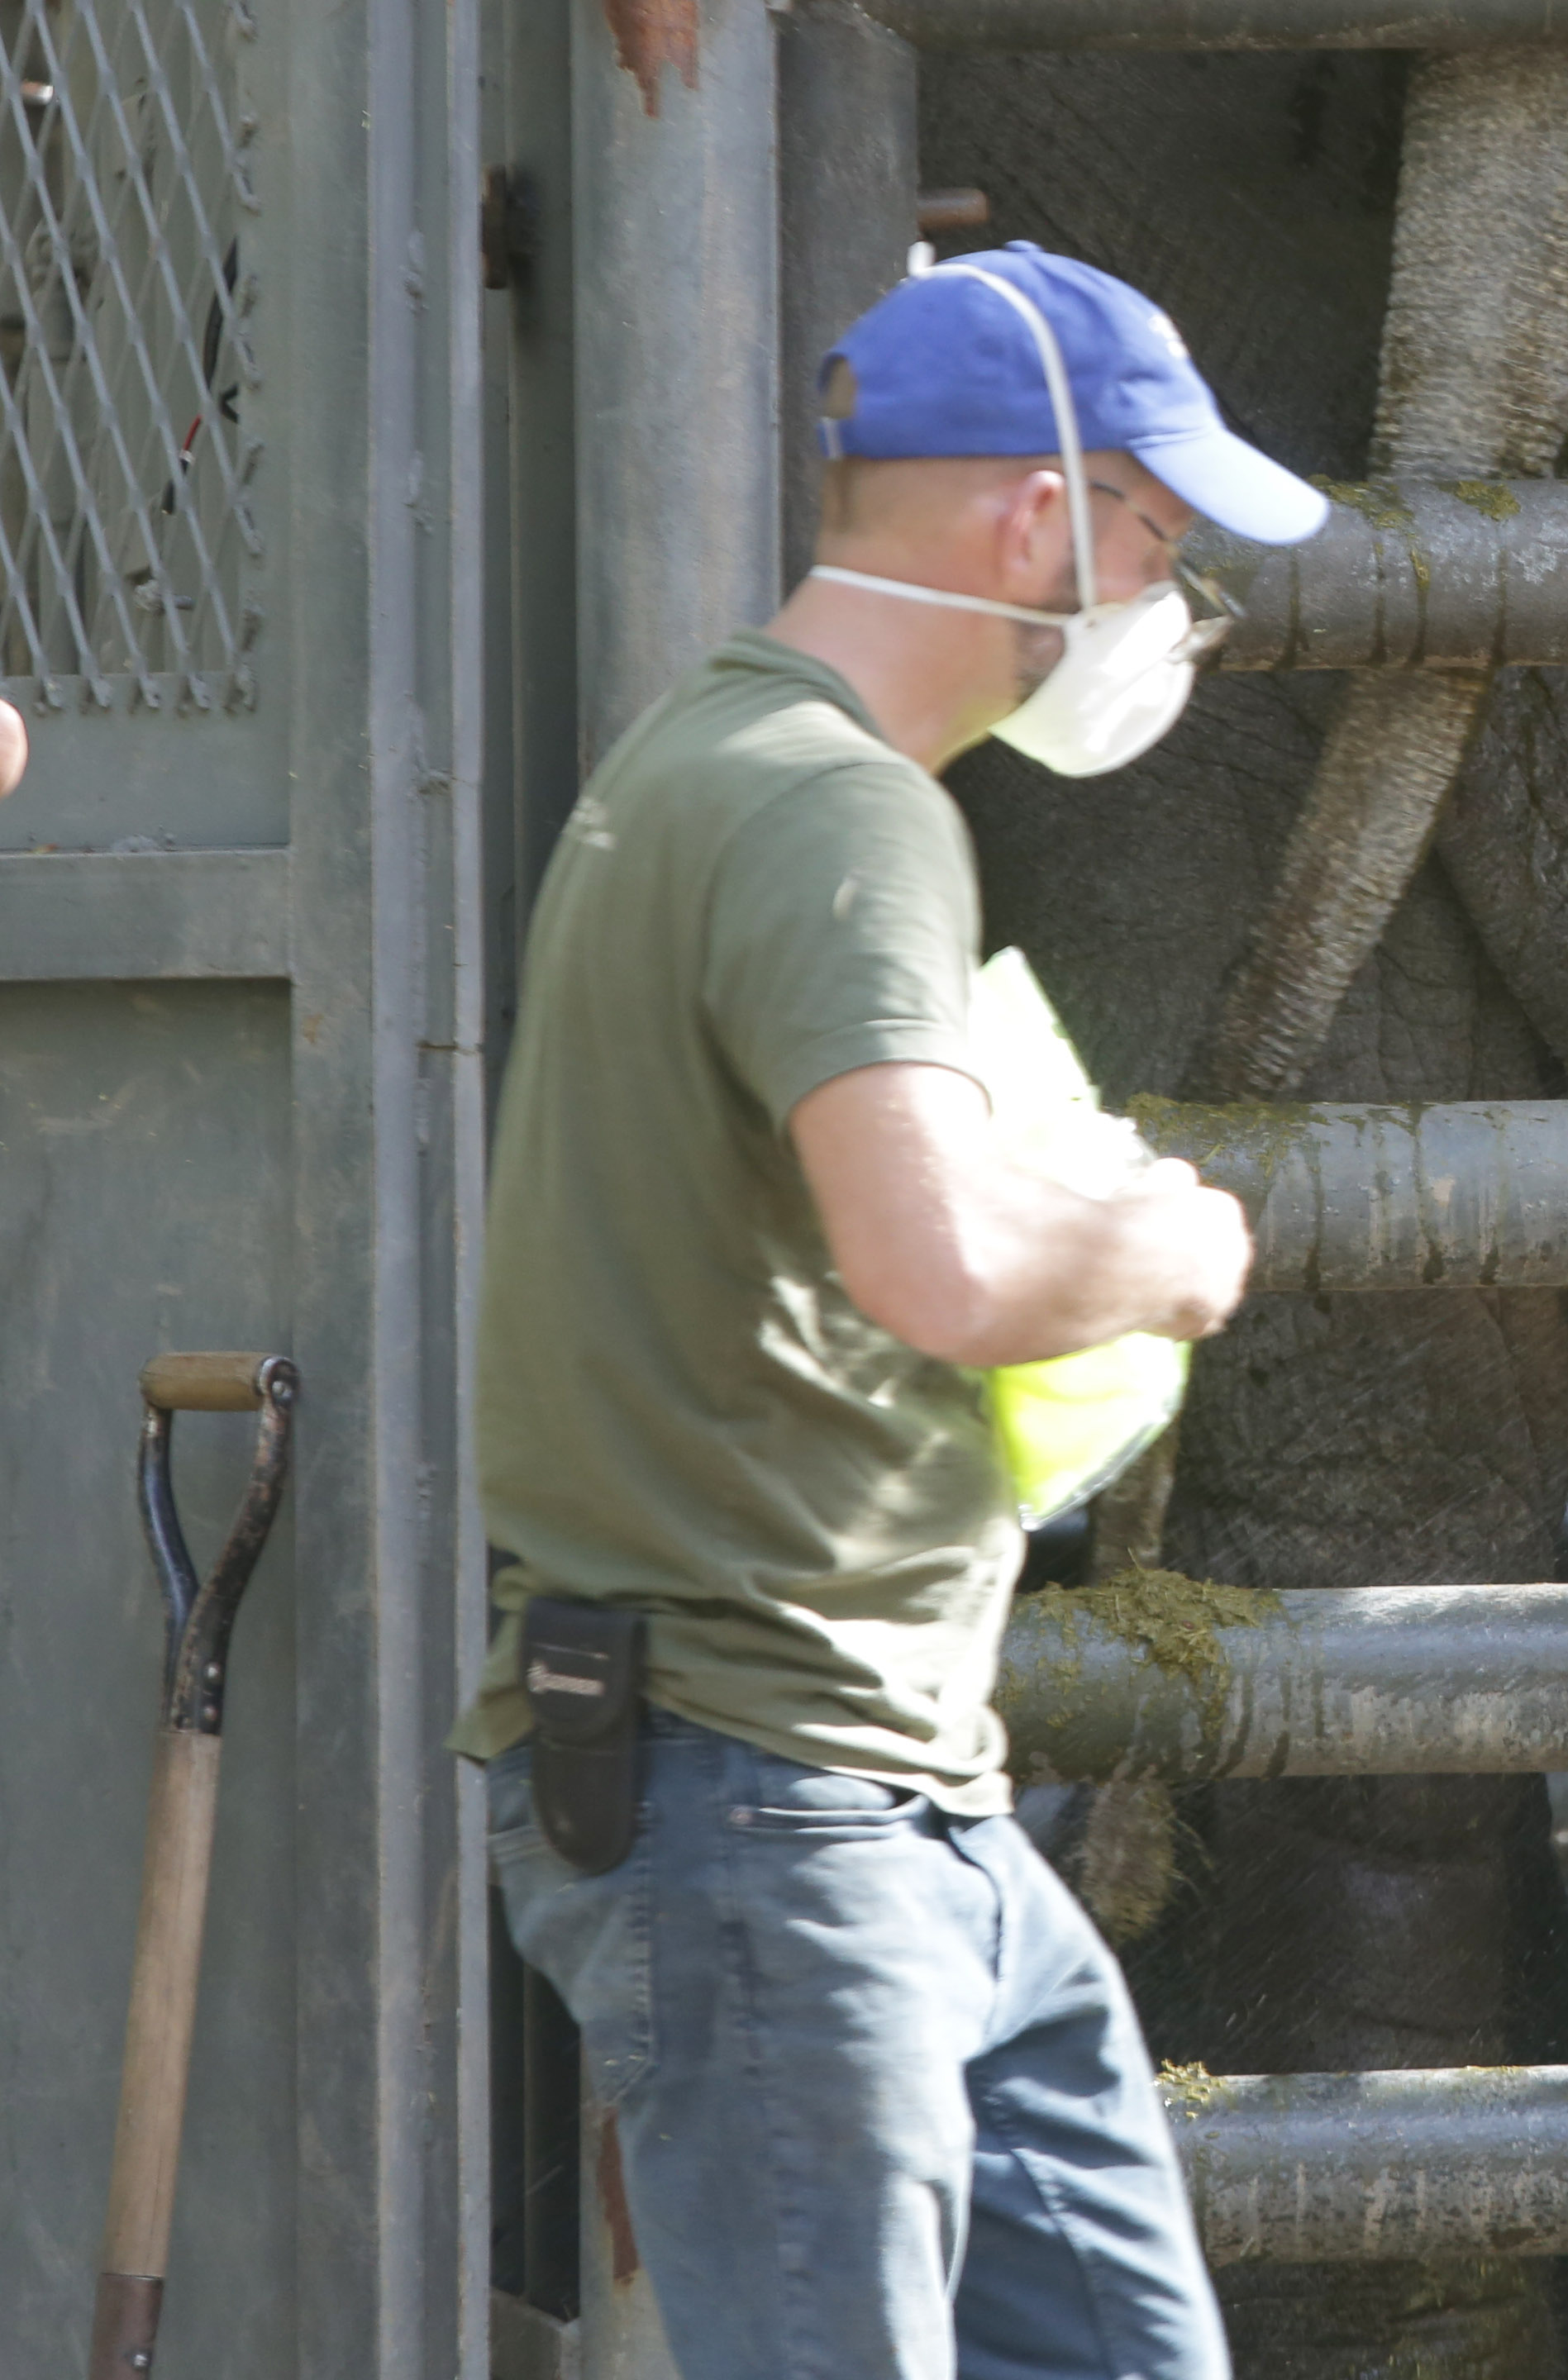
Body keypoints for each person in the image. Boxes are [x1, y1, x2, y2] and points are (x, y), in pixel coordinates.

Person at [459, 242, 1327, 2380]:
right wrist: (1176, 1247)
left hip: (891, 1791)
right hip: (774, 1808)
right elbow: (933, 1268)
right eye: (1156, 531)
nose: (1165, 595)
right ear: (1038, 514)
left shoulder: (723, 758)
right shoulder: (839, 816)